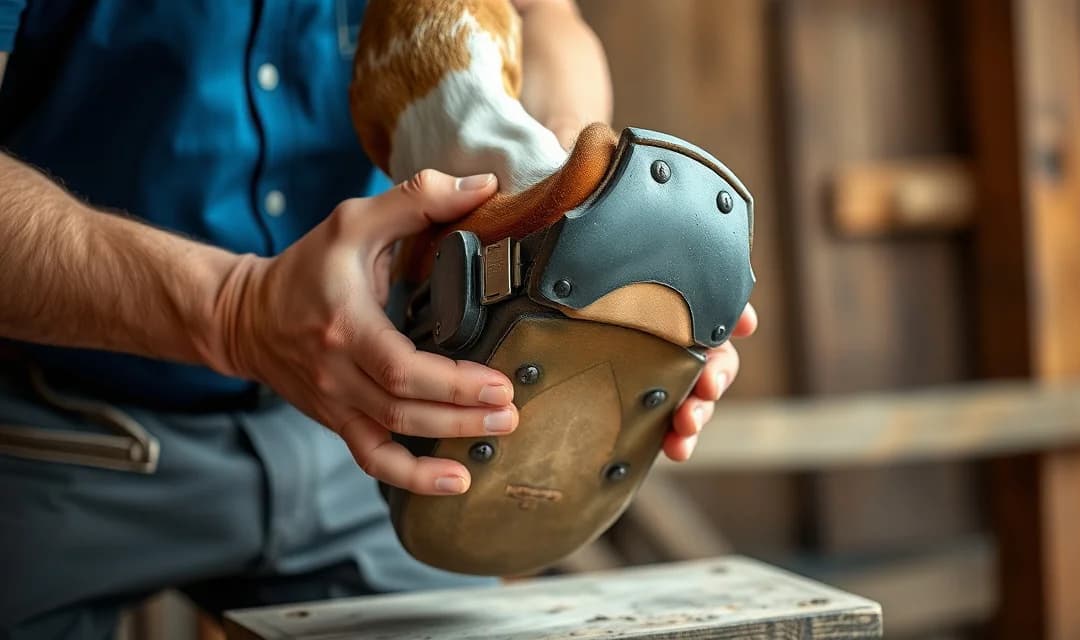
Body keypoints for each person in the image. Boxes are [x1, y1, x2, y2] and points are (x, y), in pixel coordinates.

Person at [0, 1, 757, 637]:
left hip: (364, 433)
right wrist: (234, 312)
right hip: (55, 429)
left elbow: (547, 19)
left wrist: (560, 208)